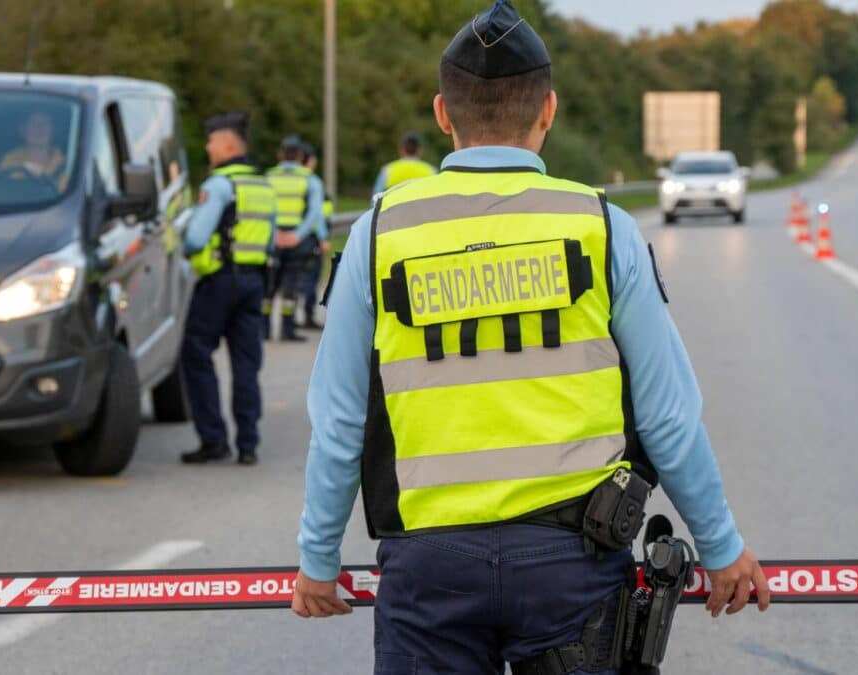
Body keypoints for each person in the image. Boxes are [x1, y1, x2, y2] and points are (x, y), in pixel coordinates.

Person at [292, 2, 770, 673]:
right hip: (571, 567)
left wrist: (317, 559)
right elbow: (668, 414)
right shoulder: (601, 227)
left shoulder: (379, 233)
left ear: (441, 113)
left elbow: (340, 416)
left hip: (430, 569)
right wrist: (720, 547)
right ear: (548, 110)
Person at [179, 111, 275, 467]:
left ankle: (213, 439)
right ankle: (248, 444)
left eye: (212, 141)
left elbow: (195, 239)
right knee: (246, 363)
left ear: (230, 144)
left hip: (220, 281)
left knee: (195, 351)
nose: (207, 147)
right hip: (254, 282)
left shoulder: (219, 185)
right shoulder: (263, 185)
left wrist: (187, 247)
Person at [264, 136, 325, 341]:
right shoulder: (310, 179)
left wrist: (274, 234)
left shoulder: (269, 177)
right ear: (300, 156)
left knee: (269, 285)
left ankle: (263, 329)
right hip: (296, 241)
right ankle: (286, 330)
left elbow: (263, 209)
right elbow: (315, 213)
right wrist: (296, 236)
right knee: (290, 285)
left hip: (273, 238)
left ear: (280, 154)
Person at [299, 142, 332, 330]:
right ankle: (308, 315)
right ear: (310, 161)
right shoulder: (312, 182)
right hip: (309, 238)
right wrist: (322, 237)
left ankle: (287, 320)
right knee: (311, 277)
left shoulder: (290, 180)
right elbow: (316, 214)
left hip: (288, 236)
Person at [0, 110, 68, 190]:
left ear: (53, 129)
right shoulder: (10, 161)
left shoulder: (67, 164)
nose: (40, 128)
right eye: (34, 124)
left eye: (45, 123)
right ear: (22, 131)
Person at [371, 130, 437, 197]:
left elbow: (376, 198)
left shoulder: (388, 170)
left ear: (401, 149)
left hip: (395, 207)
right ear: (420, 150)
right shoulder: (431, 171)